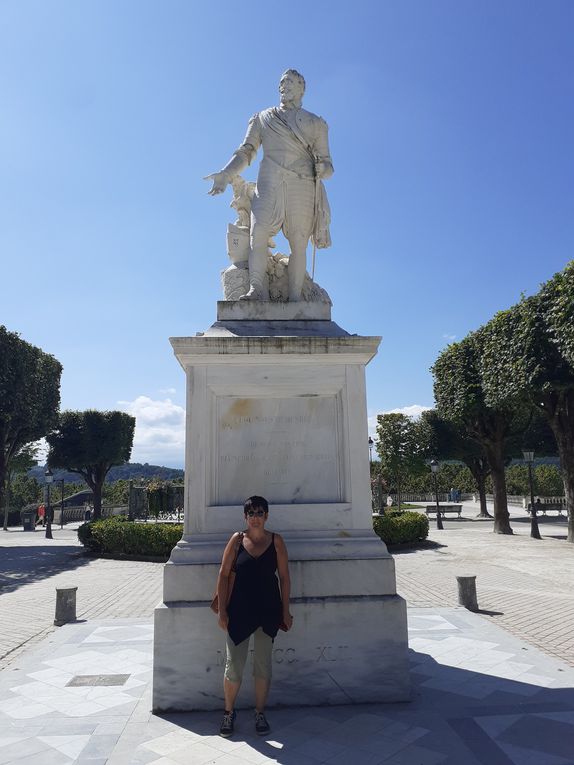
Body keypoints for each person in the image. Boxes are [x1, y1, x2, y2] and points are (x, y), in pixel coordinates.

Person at [205, 69, 334, 302]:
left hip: (301, 182)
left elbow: (327, 165)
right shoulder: (263, 118)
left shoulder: (316, 124)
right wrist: (226, 174)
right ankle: (257, 289)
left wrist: (323, 169)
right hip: (269, 179)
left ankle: (296, 299)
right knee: (259, 232)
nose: (284, 86)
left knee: (298, 240)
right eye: (282, 83)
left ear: (302, 88)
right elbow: (247, 152)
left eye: (291, 82)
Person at [215, 495, 292, 738]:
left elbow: (285, 577)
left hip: (268, 609)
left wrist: (285, 609)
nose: (255, 517)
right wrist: (223, 612)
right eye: (251, 513)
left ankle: (260, 712)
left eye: (260, 513)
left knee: (263, 666)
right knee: (234, 666)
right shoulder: (237, 540)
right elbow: (223, 575)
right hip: (239, 611)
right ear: (245, 517)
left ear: (266, 516)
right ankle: (228, 712)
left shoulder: (276, 541)